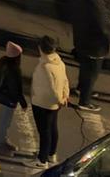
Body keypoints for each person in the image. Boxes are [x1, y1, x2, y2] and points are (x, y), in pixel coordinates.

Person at [70, 0, 110, 112]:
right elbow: (104, 29)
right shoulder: (99, 8)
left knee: (85, 69)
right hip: (95, 46)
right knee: (91, 74)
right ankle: (85, 101)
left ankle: (81, 89)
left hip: (82, 42)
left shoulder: (84, 1)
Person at [30, 36, 68, 168]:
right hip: (53, 104)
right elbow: (64, 81)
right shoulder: (59, 62)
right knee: (52, 128)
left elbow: (53, 90)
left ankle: (42, 159)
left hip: (43, 103)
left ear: (41, 48)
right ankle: (51, 153)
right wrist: (64, 97)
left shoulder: (45, 67)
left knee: (44, 131)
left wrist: (60, 99)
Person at [0, 41, 27, 154]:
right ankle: (0, 143)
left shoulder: (5, 65)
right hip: (9, 99)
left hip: (4, 98)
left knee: (4, 121)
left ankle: (2, 140)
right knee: (5, 122)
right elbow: (16, 89)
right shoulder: (14, 70)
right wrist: (23, 103)